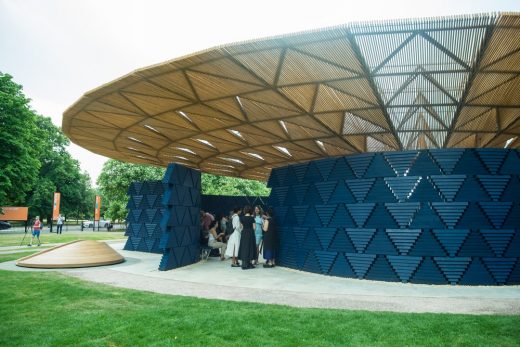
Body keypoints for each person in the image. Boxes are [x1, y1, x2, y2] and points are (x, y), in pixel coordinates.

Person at [238, 205, 256, 270]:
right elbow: (254, 228)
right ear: (250, 211)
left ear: (244, 210)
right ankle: (250, 264)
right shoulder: (252, 218)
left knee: (244, 247)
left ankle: (244, 264)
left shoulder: (241, 218)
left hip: (244, 233)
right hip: (250, 233)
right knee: (250, 247)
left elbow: (241, 227)